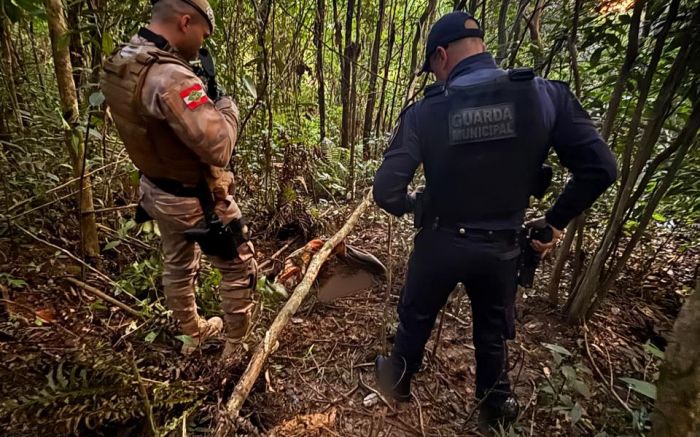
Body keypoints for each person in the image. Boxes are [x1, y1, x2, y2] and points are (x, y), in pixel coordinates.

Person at [372, 11, 617, 433]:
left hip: (440, 241)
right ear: (482, 47)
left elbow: (385, 190)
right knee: (491, 329)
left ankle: (398, 379)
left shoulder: (425, 111)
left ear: (442, 55)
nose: (435, 75)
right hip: (502, 246)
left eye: (432, 66)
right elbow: (601, 168)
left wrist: (417, 205)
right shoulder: (543, 95)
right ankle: (494, 405)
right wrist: (554, 222)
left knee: (415, 316)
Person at [100, 0, 256, 358]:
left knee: (177, 262)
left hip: (156, 190)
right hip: (195, 198)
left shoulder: (124, 59)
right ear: (185, 22)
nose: (202, 45)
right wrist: (226, 108)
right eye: (203, 34)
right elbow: (218, 147)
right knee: (239, 266)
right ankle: (237, 349)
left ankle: (192, 333)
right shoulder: (171, 77)